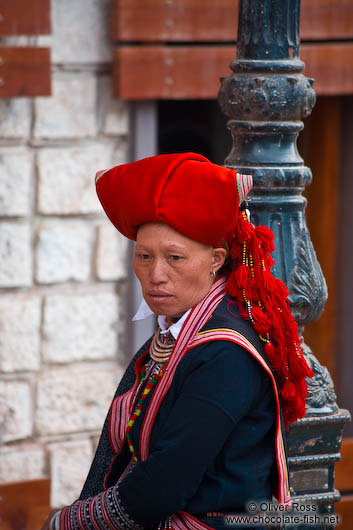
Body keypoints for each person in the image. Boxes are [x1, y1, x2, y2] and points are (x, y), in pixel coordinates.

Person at [45, 152, 313, 530]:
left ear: (215, 260)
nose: (156, 275)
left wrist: (67, 523)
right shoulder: (179, 330)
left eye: (175, 258)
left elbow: (164, 485)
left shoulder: (225, 353)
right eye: (144, 256)